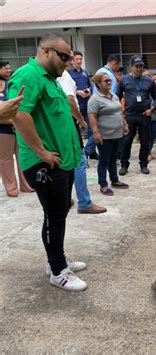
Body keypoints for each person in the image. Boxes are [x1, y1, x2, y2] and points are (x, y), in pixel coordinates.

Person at [9, 32, 87, 291]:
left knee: (58, 213)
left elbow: (61, 109)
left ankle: (57, 259)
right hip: (45, 163)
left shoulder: (51, 79)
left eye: (69, 57)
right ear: (45, 51)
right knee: (55, 216)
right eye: (64, 56)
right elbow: (19, 114)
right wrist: (42, 152)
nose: (68, 62)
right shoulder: (28, 75)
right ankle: (57, 271)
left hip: (60, 161)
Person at [58, 57, 107, 214]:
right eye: (69, 57)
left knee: (64, 162)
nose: (72, 61)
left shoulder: (53, 76)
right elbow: (70, 100)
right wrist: (80, 120)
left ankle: (64, 200)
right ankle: (84, 202)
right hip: (69, 121)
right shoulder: (64, 76)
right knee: (78, 161)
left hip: (59, 123)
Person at [116, 55, 156, 175]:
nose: (139, 69)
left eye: (141, 66)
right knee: (126, 141)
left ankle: (144, 164)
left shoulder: (148, 81)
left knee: (145, 142)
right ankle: (124, 165)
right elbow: (116, 97)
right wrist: (120, 112)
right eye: (137, 66)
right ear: (131, 67)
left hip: (145, 115)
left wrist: (152, 108)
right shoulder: (124, 80)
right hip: (129, 116)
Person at [88, 71, 129, 196]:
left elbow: (119, 112)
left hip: (117, 134)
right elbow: (92, 116)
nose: (109, 82)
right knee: (104, 160)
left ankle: (114, 180)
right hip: (104, 135)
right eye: (106, 81)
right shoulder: (95, 99)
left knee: (113, 159)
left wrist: (125, 124)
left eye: (110, 80)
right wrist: (95, 132)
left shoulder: (113, 96)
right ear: (99, 84)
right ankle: (103, 184)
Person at [0, 59, 34, 197]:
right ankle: (11, 188)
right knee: (6, 159)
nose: (8, 70)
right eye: (5, 68)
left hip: (18, 127)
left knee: (21, 157)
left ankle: (26, 185)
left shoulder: (12, 83)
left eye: (9, 68)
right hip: (3, 129)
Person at [70, 51, 94, 155]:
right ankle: (81, 152)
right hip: (76, 106)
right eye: (77, 59)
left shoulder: (85, 72)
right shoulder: (69, 73)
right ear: (72, 61)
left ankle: (90, 151)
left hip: (87, 104)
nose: (79, 61)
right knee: (77, 132)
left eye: (80, 59)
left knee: (91, 129)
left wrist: (88, 91)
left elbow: (90, 85)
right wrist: (78, 92)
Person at [147, 72, 156, 161]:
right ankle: (146, 153)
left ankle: (149, 152)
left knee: (152, 136)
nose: (155, 81)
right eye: (153, 80)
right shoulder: (145, 90)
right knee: (146, 136)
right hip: (147, 115)